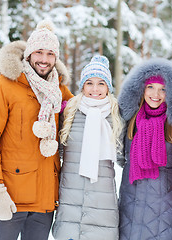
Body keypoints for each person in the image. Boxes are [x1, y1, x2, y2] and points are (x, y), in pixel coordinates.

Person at [0, 20, 73, 240]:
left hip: (45, 200)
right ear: (29, 53)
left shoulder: (59, 91)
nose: (44, 59)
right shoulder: (3, 86)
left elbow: (84, 114)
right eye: (39, 52)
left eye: (50, 54)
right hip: (10, 198)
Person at [117, 58, 172, 240]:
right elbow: (118, 155)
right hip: (130, 201)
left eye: (163, 89)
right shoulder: (129, 120)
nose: (156, 93)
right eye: (150, 87)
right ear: (141, 89)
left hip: (164, 206)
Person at [51, 55, 123, 240]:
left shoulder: (116, 116)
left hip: (102, 207)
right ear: (82, 85)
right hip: (70, 206)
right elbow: (57, 151)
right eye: (89, 83)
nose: (95, 89)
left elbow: (124, 157)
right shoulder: (69, 112)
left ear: (108, 87)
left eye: (101, 83)